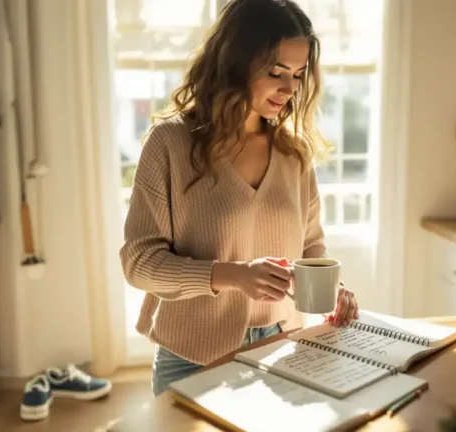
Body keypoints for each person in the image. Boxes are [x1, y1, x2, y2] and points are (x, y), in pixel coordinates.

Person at [119, 0, 360, 397]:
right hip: (191, 357)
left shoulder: (294, 154)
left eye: (298, 75)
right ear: (234, 61)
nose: (289, 88)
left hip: (282, 349)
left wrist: (332, 287)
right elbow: (139, 264)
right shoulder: (171, 144)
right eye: (276, 72)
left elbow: (310, 247)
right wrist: (233, 275)